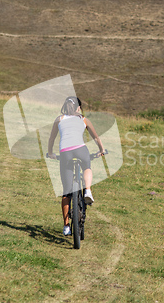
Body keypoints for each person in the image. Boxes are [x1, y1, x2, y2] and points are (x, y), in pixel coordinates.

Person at [47, 96, 105, 236]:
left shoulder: (59, 119)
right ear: (79, 108)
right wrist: (102, 150)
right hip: (80, 149)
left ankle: (66, 226)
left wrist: (50, 153)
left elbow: (52, 138)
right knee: (87, 167)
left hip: (65, 152)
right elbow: (96, 137)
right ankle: (88, 191)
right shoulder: (83, 119)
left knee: (66, 192)